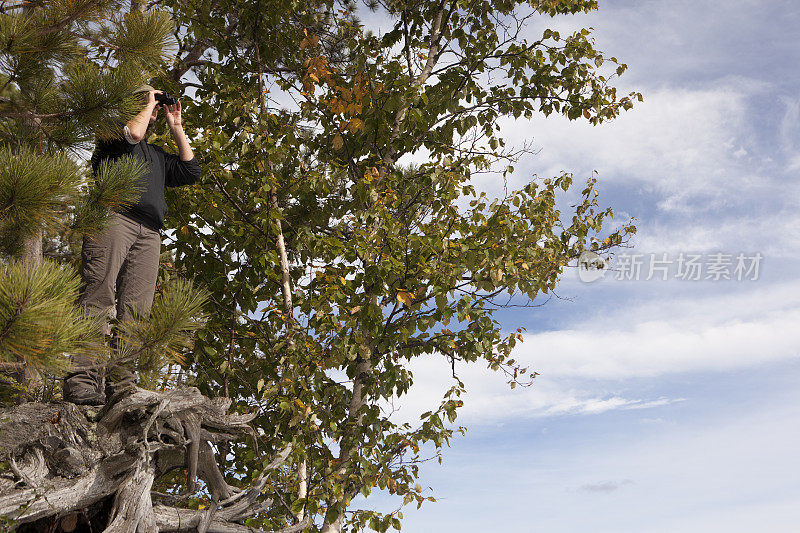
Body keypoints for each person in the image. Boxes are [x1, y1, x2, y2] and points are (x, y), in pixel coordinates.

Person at [63, 85, 201, 405]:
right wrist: (147, 101)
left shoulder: (155, 155)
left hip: (150, 233)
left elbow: (190, 169)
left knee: (136, 312)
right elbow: (132, 134)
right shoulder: (112, 136)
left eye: (154, 102)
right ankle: (83, 380)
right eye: (148, 101)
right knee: (99, 294)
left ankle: (121, 385)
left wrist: (175, 125)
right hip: (113, 218)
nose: (153, 106)